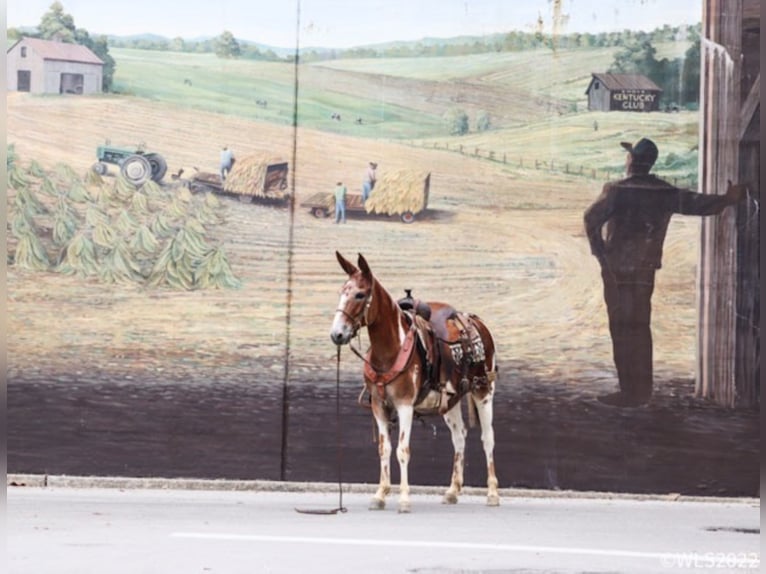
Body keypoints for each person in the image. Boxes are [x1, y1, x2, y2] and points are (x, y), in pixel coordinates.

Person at [583, 137, 747, 407]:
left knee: (621, 328)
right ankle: (642, 391)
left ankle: (628, 391)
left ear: (631, 161)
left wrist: (600, 254)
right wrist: (727, 200)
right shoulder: (665, 192)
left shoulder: (616, 190)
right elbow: (697, 204)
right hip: (645, 269)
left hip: (616, 271)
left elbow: (591, 218)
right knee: (641, 326)